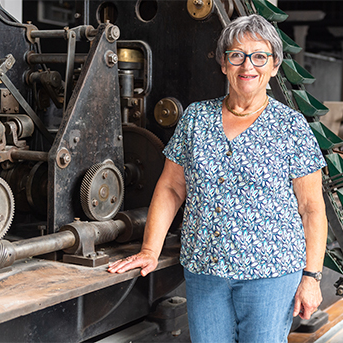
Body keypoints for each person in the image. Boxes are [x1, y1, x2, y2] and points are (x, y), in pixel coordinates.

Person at [108, 14, 327, 343]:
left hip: (270, 274)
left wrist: (311, 277)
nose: (247, 66)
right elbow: (170, 188)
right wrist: (149, 250)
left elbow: (312, 208)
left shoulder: (292, 127)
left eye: (259, 56)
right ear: (224, 64)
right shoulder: (196, 118)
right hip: (205, 272)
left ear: (274, 66)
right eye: (236, 55)